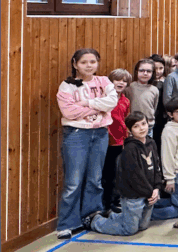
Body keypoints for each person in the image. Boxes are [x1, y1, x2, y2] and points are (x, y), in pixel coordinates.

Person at [56, 48, 119, 239]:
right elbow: (69, 112)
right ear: (75, 64)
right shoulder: (67, 86)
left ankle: (91, 216)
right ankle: (67, 223)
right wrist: (99, 106)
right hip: (77, 134)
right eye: (84, 62)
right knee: (73, 182)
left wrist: (87, 104)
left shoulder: (104, 81)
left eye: (93, 61)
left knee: (95, 179)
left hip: (100, 133)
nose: (89, 65)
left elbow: (112, 102)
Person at [85, 112, 163, 236]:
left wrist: (157, 188)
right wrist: (150, 193)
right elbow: (135, 176)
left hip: (149, 193)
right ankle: (95, 221)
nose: (141, 128)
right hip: (134, 196)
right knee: (129, 230)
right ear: (129, 130)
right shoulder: (130, 149)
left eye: (143, 124)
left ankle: (114, 216)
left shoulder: (151, 143)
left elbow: (157, 168)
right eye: (136, 126)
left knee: (142, 226)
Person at [104, 69, 132, 212]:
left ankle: (115, 201)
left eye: (124, 81)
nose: (121, 83)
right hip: (106, 141)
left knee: (116, 174)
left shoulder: (125, 101)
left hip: (119, 142)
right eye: (117, 80)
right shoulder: (105, 98)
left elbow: (125, 120)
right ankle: (106, 205)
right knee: (106, 175)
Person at [126, 59, 160, 137]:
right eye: (142, 71)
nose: (145, 73)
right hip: (133, 127)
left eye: (148, 71)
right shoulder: (130, 87)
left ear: (152, 73)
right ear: (136, 71)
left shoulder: (154, 90)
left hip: (148, 127)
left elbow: (154, 107)